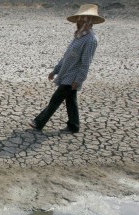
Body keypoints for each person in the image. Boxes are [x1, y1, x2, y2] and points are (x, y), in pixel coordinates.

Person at [29, 4, 105, 134]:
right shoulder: (79, 35)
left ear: (90, 21)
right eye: (80, 18)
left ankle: (39, 122)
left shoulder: (91, 39)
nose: (81, 21)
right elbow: (67, 56)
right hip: (66, 73)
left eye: (84, 19)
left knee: (56, 99)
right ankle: (74, 126)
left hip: (73, 77)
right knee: (71, 101)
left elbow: (86, 62)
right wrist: (55, 70)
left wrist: (79, 79)